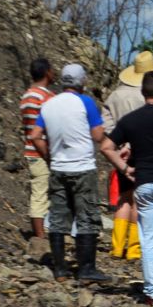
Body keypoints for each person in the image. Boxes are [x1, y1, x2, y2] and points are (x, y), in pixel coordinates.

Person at [99, 71, 153, 305]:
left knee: (149, 240)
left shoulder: (131, 120)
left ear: (143, 93)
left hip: (143, 184)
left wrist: (124, 168)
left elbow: (106, 147)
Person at [30, 64, 109, 282]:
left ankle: (60, 269)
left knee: (58, 217)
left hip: (58, 168)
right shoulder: (85, 102)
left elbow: (36, 135)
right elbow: (97, 134)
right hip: (82, 167)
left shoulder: (48, 104)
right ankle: (86, 269)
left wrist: (49, 156)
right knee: (86, 217)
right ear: (81, 81)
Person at [103, 51, 153, 261]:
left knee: (123, 199)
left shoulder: (115, 95)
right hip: (146, 153)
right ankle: (134, 248)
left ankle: (116, 246)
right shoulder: (149, 98)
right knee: (137, 203)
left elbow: (105, 125)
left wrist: (121, 146)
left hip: (121, 151)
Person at [20, 58, 55, 239]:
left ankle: (42, 231)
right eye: (52, 70)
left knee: (39, 191)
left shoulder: (27, 95)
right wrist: (49, 155)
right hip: (42, 150)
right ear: (47, 72)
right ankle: (40, 236)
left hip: (30, 150)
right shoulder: (47, 97)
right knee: (40, 194)